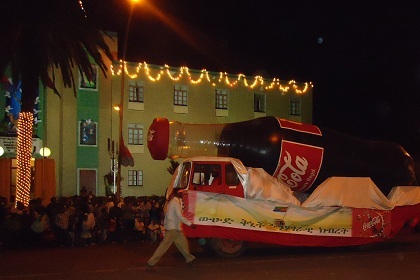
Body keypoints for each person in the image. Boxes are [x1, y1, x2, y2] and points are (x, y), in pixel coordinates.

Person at [146, 189, 196, 270]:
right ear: (177, 193)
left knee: (183, 245)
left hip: (175, 228)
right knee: (164, 246)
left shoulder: (174, 201)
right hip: (173, 228)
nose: (183, 194)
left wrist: (166, 225)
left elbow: (167, 215)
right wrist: (190, 224)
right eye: (181, 193)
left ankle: (190, 259)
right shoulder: (175, 202)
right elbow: (179, 216)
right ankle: (151, 263)